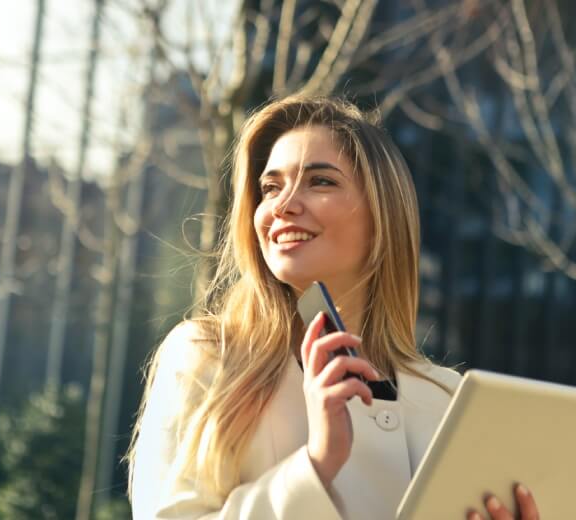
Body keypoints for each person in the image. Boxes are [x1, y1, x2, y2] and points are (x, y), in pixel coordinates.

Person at [125, 96, 540, 519]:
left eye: (320, 181)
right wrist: (316, 464)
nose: (283, 205)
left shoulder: (447, 398)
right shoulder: (208, 356)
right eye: (270, 187)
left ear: (383, 214)